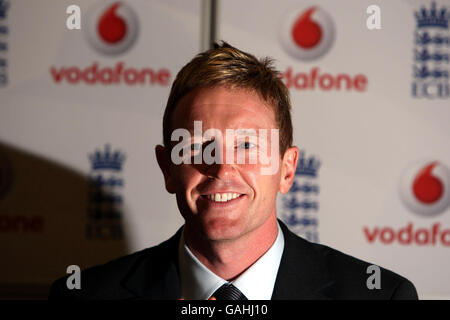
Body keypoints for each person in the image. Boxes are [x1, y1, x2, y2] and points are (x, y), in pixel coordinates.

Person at [49, 42, 418, 300]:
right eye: (196, 146)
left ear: (287, 170)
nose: (222, 166)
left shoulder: (379, 296)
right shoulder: (83, 296)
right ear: (168, 169)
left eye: (247, 145)